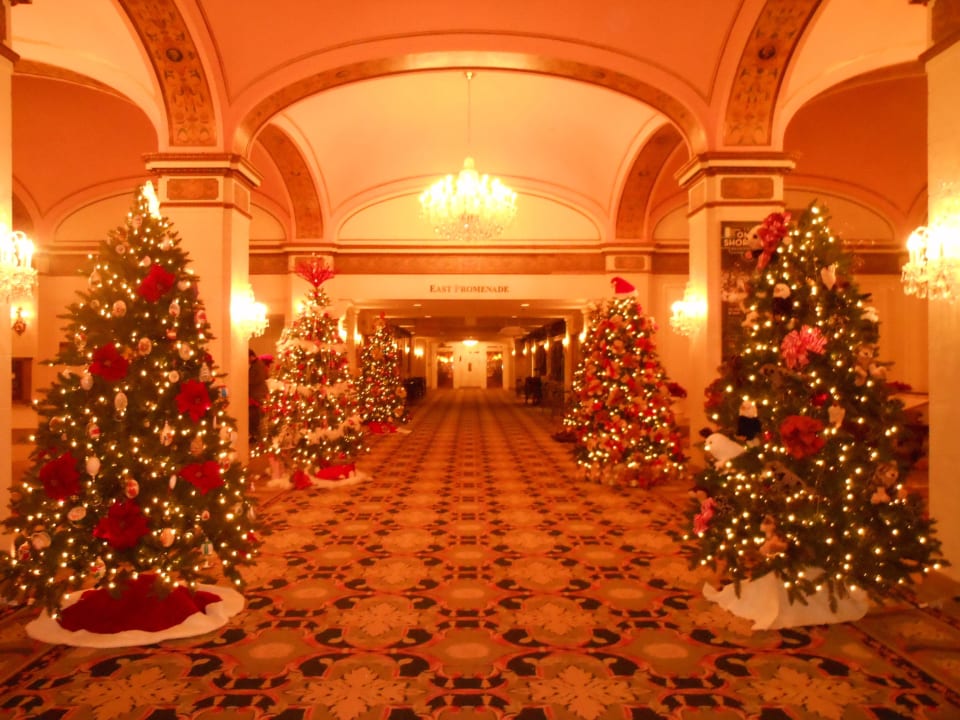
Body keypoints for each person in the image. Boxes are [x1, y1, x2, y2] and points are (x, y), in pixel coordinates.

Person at [248, 349, 269, 445]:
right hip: (258, 394)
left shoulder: (258, 365)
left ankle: (257, 438)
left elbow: (255, 379)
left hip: (258, 395)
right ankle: (256, 437)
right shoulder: (258, 364)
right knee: (256, 417)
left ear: (251, 356)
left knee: (256, 417)